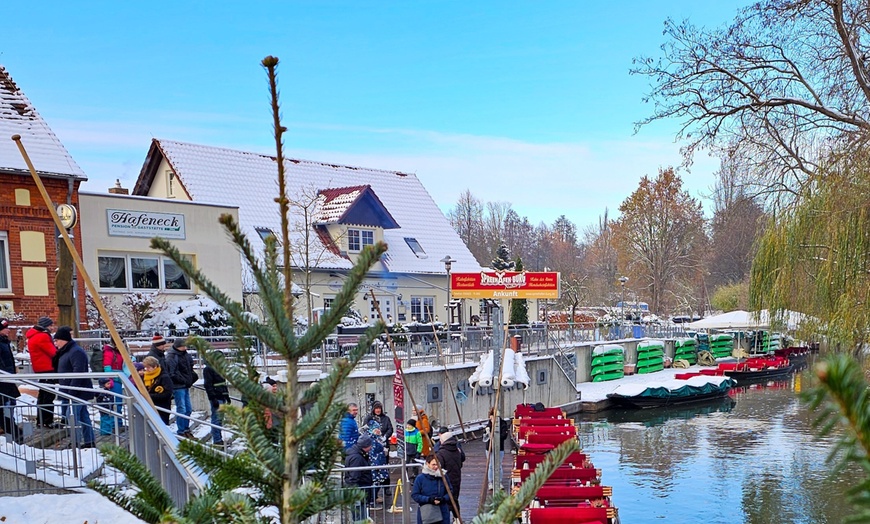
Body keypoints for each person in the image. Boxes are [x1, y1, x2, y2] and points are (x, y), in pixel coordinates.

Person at [54, 327, 95, 448]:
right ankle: (89, 441)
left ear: (64, 340)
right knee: (82, 416)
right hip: (72, 390)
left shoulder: (75, 351)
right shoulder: (68, 351)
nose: (55, 344)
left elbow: (78, 372)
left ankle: (76, 442)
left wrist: (71, 391)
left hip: (76, 391)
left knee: (72, 416)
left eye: (57, 340)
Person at [26, 316, 57, 427]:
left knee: (43, 394)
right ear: (46, 326)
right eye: (51, 325)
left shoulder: (32, 336)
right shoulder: (43, 336)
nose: (52, 328)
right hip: (47, 369)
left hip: (40, 368)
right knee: (48, 395)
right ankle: (47, 421)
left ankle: (41, 420)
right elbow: (53, 353)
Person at [166, 339, 195, 439]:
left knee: (188, 409)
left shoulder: (185, 355)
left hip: (185, 385)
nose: (186, 348)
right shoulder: (172, 356)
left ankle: (186, 429)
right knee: (181, 409)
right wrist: (184, 380)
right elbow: (172, 373)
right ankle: (181, 431)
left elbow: (190, 367)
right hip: (178, 387)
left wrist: (191, 377)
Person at [411, 453, 452, 524]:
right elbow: (415, 495)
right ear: (427, 464)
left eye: (437, 464)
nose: (436, 467)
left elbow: (450, 491)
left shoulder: (443, 476)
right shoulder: (420, 478)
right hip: (426, 512)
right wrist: (429, 499)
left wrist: (443, 499)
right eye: (433, 464)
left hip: (442, 511)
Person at [0, 319, 22, 443]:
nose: (8, 330)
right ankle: (14, 434)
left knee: (10, 404)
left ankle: (13, 433)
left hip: (8, 379)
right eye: (5, 328)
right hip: (3, 381)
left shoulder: (5, 342)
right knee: (6, 406)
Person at [345, 434, 377, 519]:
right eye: (370, 446)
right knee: (359, 516)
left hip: (360, 490)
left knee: (360, 514)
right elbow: (354, 477)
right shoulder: (357, 458)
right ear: (365, 446)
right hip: (358, 491)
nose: (371, 448)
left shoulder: (356, 453)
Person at [435, 430, 465, 519]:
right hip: (456, 477)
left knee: (445, 500)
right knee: (454, 498)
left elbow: (439, 468)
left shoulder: (441, 453)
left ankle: (447, 518)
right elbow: (462, 460)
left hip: (445, 479)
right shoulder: (457, 450)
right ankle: (457, 518)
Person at [99, 342, 124, 435]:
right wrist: (110, 379)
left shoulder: (115, 352)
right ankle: (115, 425)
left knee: (117, 402)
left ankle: (117, 423)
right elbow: (107, 366)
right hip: (114, 380)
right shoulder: (109, 352)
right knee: (115, 403)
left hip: (117, 379)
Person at [363, 420, 390, 504]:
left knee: (379, 481)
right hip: (376, 465)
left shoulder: (376, 438)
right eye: (376, 429)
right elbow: (372, 454)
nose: (379, 430)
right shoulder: (371, 440)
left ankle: (374, 497)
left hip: (381, 463)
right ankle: (372, 500)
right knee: (376, 482)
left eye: (379, 428)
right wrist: (376, 466)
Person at [203, 362, 230, 445]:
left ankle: (219, 438)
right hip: (216, 397)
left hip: (222, 396)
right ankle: (217, 440)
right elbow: (208, 385)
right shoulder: (208, 369)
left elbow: (223, 384)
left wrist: (227, 396)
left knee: (220, 419)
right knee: (216, 419)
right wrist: (213, 398)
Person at [142, 356, 173, 425]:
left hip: (161, 407)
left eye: (148, 367)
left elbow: (168, 393)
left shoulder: (164, 377)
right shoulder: (145, 377)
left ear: (155, 366)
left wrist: (149, 396)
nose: (146, 370)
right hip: (149, 407)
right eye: (145, 367)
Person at [486, 407, 509, 490]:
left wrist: (496, 436)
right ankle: (491, 482)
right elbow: (486, 435)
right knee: (491, 465)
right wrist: (491, 425)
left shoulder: (503, 423)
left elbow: (504, 435)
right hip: (490, 447)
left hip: (500, 447)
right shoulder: (489, 423)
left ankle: (499, 482)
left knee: (498, 465)